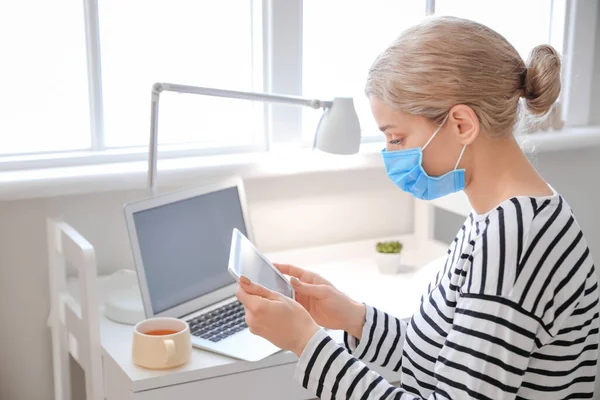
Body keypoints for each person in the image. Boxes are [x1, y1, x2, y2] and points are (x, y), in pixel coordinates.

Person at [236, 16, 599, 399]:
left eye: (396, 137)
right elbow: (440, 358)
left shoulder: (514, 240)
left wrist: (306, 343)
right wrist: (350, 316)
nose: (391, 154)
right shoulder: (502, 216)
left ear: (461, 125)